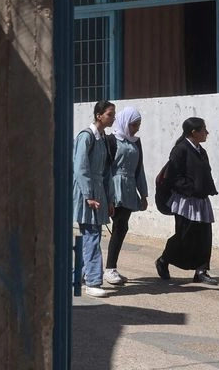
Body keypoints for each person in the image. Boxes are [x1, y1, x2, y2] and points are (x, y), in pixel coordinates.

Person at [155, 117, 219, 285]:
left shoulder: (201, 151)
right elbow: (173, 176)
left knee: (204, 236)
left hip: (201, 200)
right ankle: (163, 260)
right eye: (204, 129)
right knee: (184, 237)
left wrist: (207, 189)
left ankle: (201, 270)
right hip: (185, 201)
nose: (207, 133)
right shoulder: (180, 150)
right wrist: (191, 189)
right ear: (194, 132)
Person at [74, 100, 116, 298]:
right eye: (109, 114)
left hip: (98, 191)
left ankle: (78, 276)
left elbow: (107, 171)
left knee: (93, 235)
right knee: (91, 235)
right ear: (99, 115)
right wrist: (88, 195)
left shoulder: (103, 139)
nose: (113, 118)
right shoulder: (87, 136)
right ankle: (93, 281)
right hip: (88, 192)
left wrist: (109, 199)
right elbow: (81, 168)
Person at [104, 105, 148, 286]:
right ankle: (106, 268)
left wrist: (143, 194)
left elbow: (139, 169)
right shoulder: (111, 140)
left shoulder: (136, 142)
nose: (136, 128)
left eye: (138, 124)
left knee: (121, 227)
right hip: (114, 186)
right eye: (133, 124)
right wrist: (108, 195)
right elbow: (105, 168)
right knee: (118, 225)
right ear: (125, 123)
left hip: (129, 188)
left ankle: (110, 267)